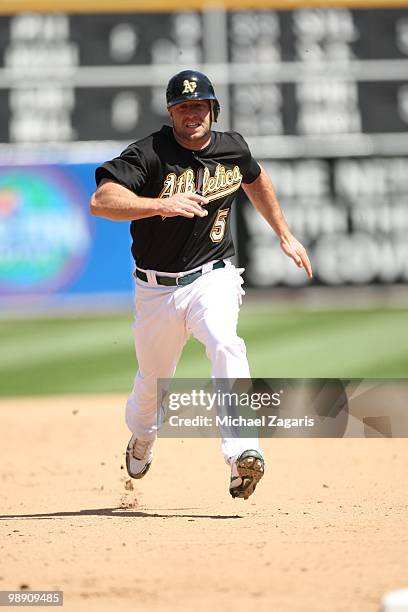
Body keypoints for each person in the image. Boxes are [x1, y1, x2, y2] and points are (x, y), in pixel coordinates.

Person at [90, 69, 312, 500]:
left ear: (213, 109)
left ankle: (242, 452)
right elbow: (102, 201)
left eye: (198, 105)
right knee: (153, 382)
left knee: (226, 343)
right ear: (171, 112)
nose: (191, 113)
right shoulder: (148, 154)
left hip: (215, 277)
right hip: (156, 288)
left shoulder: (232, 147)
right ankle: (143, 437)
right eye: (182, 107)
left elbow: (256, 177)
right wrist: (159, 205)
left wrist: (283, 232)